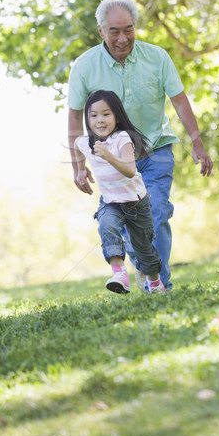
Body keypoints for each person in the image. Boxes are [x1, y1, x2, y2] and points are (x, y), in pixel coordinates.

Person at [68, 0, 213, 290]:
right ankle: (148, 272)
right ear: (101, 31)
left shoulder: (157, 57)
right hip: (111, 160)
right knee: (124, 222)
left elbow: (180, 101)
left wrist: (197, 143)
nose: (123, 38)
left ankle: (159, 286)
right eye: (114, 31)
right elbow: (73, 117)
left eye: (129, 29)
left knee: (156, 214)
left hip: (154, 151)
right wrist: (78, 166)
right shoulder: (84, 66)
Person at [74, 90, 165, 294]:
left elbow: (130, 170)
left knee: (144, 249)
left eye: (106, 114)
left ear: (117, 116)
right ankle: (120, 274)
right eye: (94, 115)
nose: (100, 120)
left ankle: (156, 284)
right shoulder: (85, 143)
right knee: (106, 226)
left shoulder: (122, 138)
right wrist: (80, 169)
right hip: (110, 201)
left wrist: (108, 156)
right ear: (87, 118)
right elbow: (76, 146)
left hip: (136, 202)